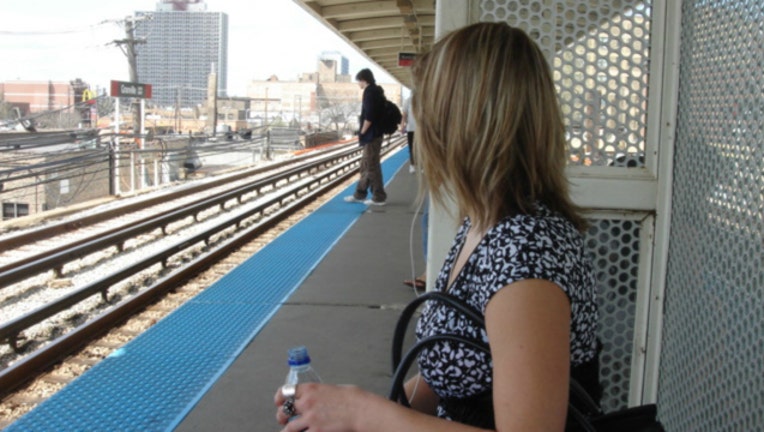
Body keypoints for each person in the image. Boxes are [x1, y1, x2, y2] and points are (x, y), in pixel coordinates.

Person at [275, 22, 599, 431]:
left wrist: (363, 413)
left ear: (460, 123)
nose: (419, 128)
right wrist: (337, 410)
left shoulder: (526, 252)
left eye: (425, 111)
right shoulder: (484, 224)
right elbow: (451, 373)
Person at [344, 68, 387, 206]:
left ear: (364, 80)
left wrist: (362, 132)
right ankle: (362, 194)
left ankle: (377, 196)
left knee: (370, 166)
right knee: (367, 165)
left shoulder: (369, 93)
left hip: (371, 136)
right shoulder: (377, 91)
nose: (358, 84)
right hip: (376, 134)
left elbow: (369, 116)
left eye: (359, 81)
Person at [401, 92, 417, 173]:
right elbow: (404, 115)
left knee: (420, 148)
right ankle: (412, 165)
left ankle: (420, 165)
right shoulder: (408, 101)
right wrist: (402, 126)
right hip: (411, 128)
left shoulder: (423, 100)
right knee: (411, 148)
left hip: (420, 130)